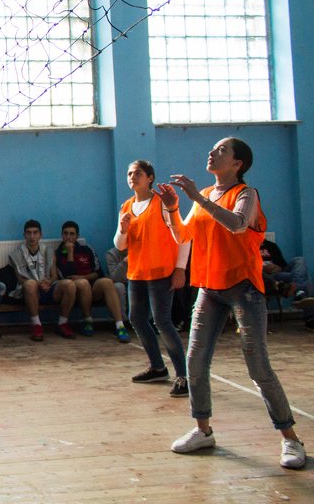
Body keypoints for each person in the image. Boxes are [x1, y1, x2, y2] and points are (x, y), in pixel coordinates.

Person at [160, 137, 306, 469]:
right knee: (195, 364)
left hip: (244, 287)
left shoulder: (246, 194)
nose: (212, 152)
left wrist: (195, 196)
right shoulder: (205, 197)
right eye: (212, 148)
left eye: (222, 150)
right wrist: (171, 209)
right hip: (209, 288)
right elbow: (182, 236)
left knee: (258, 367)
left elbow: (238, 224)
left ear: (237, 164)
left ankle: (291, 440)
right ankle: (203, 430)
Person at [114, 160, 190, 397]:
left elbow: (184, 236)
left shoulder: (162, 203)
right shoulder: (126, 207)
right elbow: (119, 245)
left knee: (162, 321)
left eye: (138, 173)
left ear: (150, 178)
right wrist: (123, 229)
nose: (132, 177)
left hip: (161, 272)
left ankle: (184, 376)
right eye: (129, 173)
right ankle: (158, 367)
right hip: (137, 272)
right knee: (136, 318)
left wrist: (180, 268)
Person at [55, 221, 130, 342]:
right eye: (66, 234)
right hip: (75, 291)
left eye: (72, 234)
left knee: (106, 282)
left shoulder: (86, 249)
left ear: (77, 236)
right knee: (82, 284)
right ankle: (88, 322)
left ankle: (120, 325)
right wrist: (70, 253)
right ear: (62, 235)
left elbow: (98, 272)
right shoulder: (58, 253)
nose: (69, 237)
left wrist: (83, 277)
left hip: (93, 287)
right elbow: (67, 276)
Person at [8, 219, 76, 341]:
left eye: (35, 232)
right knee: (30, 284)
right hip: (31, 291)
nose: (32, 236)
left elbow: (54, 275)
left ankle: (62, 323)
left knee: (69, 284)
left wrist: (49, 282)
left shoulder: (48, 251)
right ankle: (36, 325)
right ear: (24, 235)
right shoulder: (17, 254)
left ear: (41, 235)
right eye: (29, 233)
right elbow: (20, 279)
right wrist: (38, 284)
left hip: (49, 288)